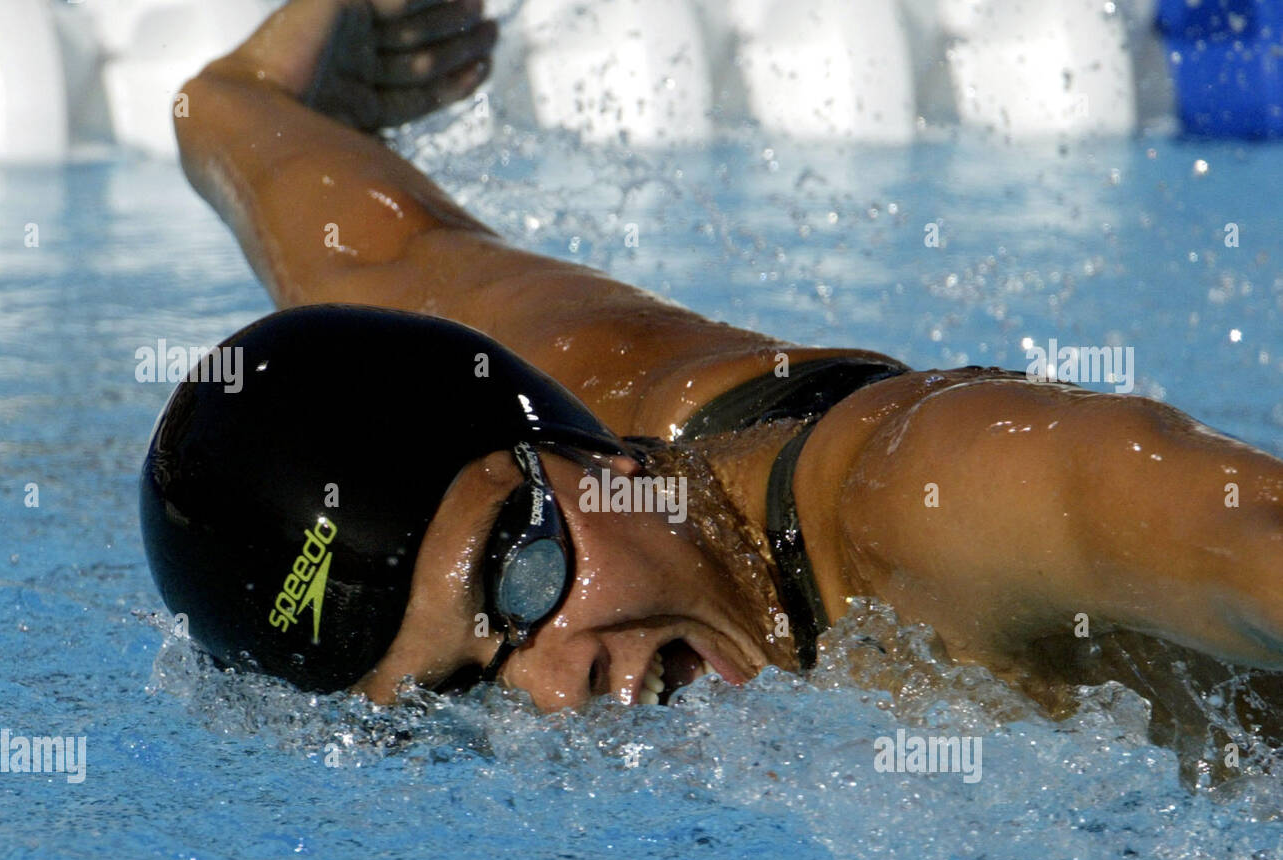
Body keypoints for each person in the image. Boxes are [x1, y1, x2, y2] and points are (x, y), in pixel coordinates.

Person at [142, 0, 1283, 724]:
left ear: (576, 442)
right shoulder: (550, 400)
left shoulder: (938, 508)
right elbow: (329, 204)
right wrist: (235, 96)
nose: (556, 687)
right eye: (463, 687)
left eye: (520, 579)